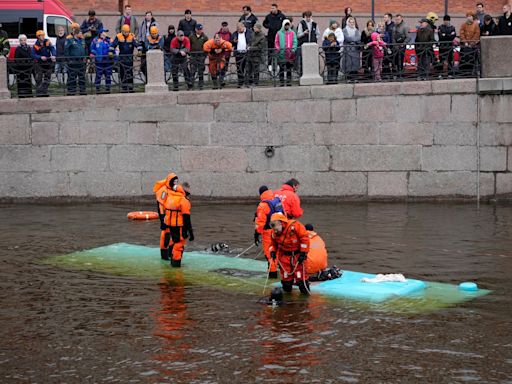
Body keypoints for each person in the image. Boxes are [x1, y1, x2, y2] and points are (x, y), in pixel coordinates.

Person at [155, 174, 194, 267]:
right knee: (172, 240)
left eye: (177, 181)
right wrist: (162, 219)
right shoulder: (166, 192)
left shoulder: (172, 194)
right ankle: (172, 261)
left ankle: (170, 257)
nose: (176, 183)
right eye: (174, 181)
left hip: (170, 221)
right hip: (170, 220)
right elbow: (160, 205)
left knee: (172, 239)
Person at [268, 212, 310, 294]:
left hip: (297, 256)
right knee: (286, 282)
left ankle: (305, 301)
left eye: (275, 226)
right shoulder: (274, 233)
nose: (274, 229)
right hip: (284, 257)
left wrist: (303, 253)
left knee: (301, 281)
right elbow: (272, 244)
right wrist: (273, 252)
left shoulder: (295, 226)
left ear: (280, 223)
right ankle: (288, 298)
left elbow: (304, 238)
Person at [254, 186, 284, 278]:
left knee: (270, 253)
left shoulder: (263, 205)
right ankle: (284, 271)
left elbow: (260, 223)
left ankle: (272, 274)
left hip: (268, 232)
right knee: (279, 251)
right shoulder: (277, 200)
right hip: (280, 230)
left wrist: (256, 234)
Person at [110, 24, 139, 93]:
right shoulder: (118, 36)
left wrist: (140, 50)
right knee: (122, 73)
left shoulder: (131, 36)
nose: (126, 33)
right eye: (125, 32)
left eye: (127, 32)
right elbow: (113, 45)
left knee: (130, 73)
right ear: (122, 31)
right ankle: (124, 88)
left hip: (129, 58)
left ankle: (131, 87)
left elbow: (137, 44)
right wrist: (110, 52)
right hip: (122, 58)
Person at [64, 23, 87, 95]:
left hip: (81, 62)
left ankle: (82, 91)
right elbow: (66, 50)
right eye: (80, 33)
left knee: (82, 77)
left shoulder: (82, 40)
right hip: (73, 62)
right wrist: (69, 60)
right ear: (76, 34)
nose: (82, 34)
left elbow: (85, 49)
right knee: (72, 77)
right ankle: (71, 91)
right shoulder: (70, 40)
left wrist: (86, 57)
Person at [32, 30, 56, 97]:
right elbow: (33, 54)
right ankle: (39, 93)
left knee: (47, 78)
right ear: (38, 37)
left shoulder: (47, 41)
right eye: (41, 35)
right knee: (39, 79)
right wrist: (40, 57)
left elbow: (52, 49)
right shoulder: (36, 45)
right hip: (39, 63)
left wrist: (53, 55)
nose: (43, 36)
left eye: (43, 35)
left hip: (48, 63)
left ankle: (45, 92)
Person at [274, 19, 297, 86]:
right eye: (285, 25)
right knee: (281, 68)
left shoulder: (292, 33)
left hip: (290, 53)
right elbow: (276, 42)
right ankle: (281, 81)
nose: (287, 26)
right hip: (281, 53)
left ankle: (289, 81)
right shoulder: (279, 33)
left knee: (289, 68)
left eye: (288, 25)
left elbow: (295, 41)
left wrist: (293, 49)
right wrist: (278, 49)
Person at [90, 28, 113, 94]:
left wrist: (113, 54)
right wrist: (93, 53)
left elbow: (114, 48)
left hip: (108, 60)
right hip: (99, 60)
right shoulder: (96, 40)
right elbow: (92, 48)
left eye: (106, 32)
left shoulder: (109, 40)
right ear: (101, 33)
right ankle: (97, 89)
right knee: (98, 75)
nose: (105, 33)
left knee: (108, 75)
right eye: (104, 32)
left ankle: (108, 89)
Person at [231, 22, 253, 88]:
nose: (238, 30)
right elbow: (231, 42)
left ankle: (249, 82)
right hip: (238, 53)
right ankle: (240, 82)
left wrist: (249, 45)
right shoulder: (235, 33)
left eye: (239, 28)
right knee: (239, 68)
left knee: (248, 68)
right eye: (237, 29)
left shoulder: (249, 32)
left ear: (243, 26)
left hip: (247, 53)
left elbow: (252, 41)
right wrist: (233, 42)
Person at [189, 24, 208, 90]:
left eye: (201, 29)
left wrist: (204, 56)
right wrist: (190, 54)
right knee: (192, 71)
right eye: (199, 29)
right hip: (193, 56)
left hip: (201, 56)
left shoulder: (205, 37)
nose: (200, 31)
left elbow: (207, 46)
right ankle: (191, 84)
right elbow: (189, 45)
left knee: (200, 71)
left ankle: (201, 85)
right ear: (196, 29)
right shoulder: (191, 36)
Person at [342, 17, 361, 81]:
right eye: (350, 22)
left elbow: (358, 38)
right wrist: (353, 40)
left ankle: (355, 78)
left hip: (355, 50)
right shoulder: (344, 30)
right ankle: (348, 78)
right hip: (347, 49)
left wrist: (352, 40)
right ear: (348, 22)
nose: (352, 23)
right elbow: (347, 38)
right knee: (348, 63)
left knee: (355, 63)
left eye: (353, 22)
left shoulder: (356, 30)